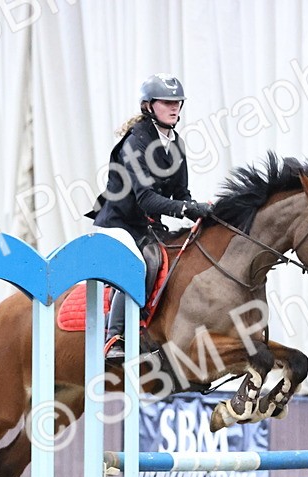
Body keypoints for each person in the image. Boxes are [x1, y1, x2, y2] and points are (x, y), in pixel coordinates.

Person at [88, 73, 214, 362]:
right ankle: (115, 337)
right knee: (141, 262)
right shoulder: (136, 142)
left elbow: (181, 192)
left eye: (177, 102)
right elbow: (145, 199)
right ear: (148, 105)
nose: (174, 107)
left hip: (147, 226)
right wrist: (186, 209)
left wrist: (201, 211)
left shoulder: (176, 143)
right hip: (117, 223)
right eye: (167, 102)